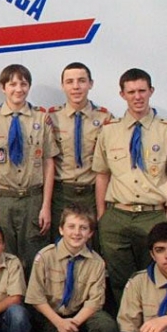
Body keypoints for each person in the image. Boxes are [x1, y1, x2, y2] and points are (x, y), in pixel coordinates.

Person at [93, 68, 167, 310]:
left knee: (156, 279)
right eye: (131, 92)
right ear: (122, 94)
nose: (137, 97)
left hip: (153, 216)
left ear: (151, 91)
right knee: (120, 282)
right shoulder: (109, 130)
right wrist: (103, 215)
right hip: (118, 216)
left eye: (142, 91)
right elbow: (102, 174)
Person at [0, 63, 58, 279]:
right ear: (3, 88)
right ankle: (10, 309)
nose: (18, 89)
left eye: (23, 84)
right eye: (12, 84)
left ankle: (34, 309)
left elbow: (49, 162)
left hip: (33, 198)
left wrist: (46, 205)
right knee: (3, 256)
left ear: (29, 87)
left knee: (35, 256)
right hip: (3, 199)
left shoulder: (41, 119)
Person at [26, 204, 115, 332]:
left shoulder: (97, 262)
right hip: (53, 316)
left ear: (90, 233)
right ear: (61, 229)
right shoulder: (45, 256)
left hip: (80, 316)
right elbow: (35, 298)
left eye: (83, 228)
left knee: (105, 324)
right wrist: (60, 324)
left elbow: (94, 302)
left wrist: (70, 327)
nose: (77, 233)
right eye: (71, 226)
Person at [48, 62, 114, 236]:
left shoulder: (105, 118)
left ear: (90, 84)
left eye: (81, 81)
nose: (76, 87)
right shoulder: (51, 117)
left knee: (92, 243)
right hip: (61, 193)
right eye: (69, 82)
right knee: (59, 243)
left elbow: (110, 163)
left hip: (92, 193)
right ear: (63, 86)